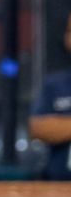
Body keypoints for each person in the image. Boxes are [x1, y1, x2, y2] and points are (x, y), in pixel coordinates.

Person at [29, 12, 71, 180]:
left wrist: (62, 125)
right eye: (69, 31)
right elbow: (38, 128)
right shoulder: (55, 84)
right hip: (58, 186)